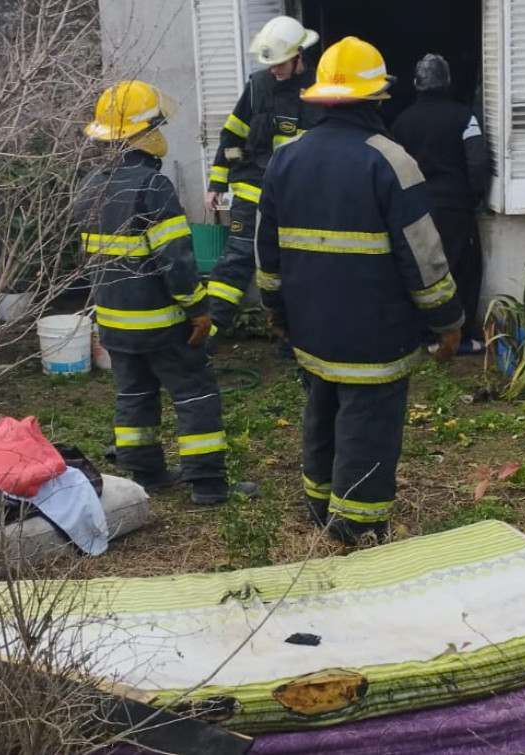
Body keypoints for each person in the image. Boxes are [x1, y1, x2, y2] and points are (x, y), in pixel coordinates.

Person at [256, 37, 464, 545]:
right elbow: (424, 256)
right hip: (377, 336)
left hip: (310, 329)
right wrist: (448, 320)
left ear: (321, 97)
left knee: (321, 411)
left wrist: (276, 310)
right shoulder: (391, 161)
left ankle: (318, 503)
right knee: (367, 425)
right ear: (376, 98)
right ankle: (358, 526)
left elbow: (268, 253)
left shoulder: (285, 159)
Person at [74, 81, 256, 505]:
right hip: (163, 323)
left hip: (115, 324)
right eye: (157, 123)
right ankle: (209, 486)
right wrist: (198, 310)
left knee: (134, 396)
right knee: (196, 394)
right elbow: (175, 261)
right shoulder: (152, 187)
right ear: (143, 132)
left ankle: (148, 475)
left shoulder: (87, 188)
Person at [204, 16, 321, 350]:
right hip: (251, 190)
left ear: (299, 56)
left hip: (294, 198)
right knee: (236, 261)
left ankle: (292, 341)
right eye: (270, 64)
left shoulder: (317, 92)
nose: (275, 70)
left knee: (294, 265)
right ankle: (207, 337)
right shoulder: (257, 86)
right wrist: (217, 183)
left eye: (281, 63)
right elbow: (232, 133)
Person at [392, 53, 491, 355]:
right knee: (462, 269)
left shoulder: (400, 123)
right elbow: (477, 161)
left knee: (419, 271)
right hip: (454, 209)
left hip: (415, 209)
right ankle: (457, 338)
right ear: (447, 82)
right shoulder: (464, 117)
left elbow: (394, 167)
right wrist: (473, 197)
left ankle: (424, 335)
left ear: (415, 84)